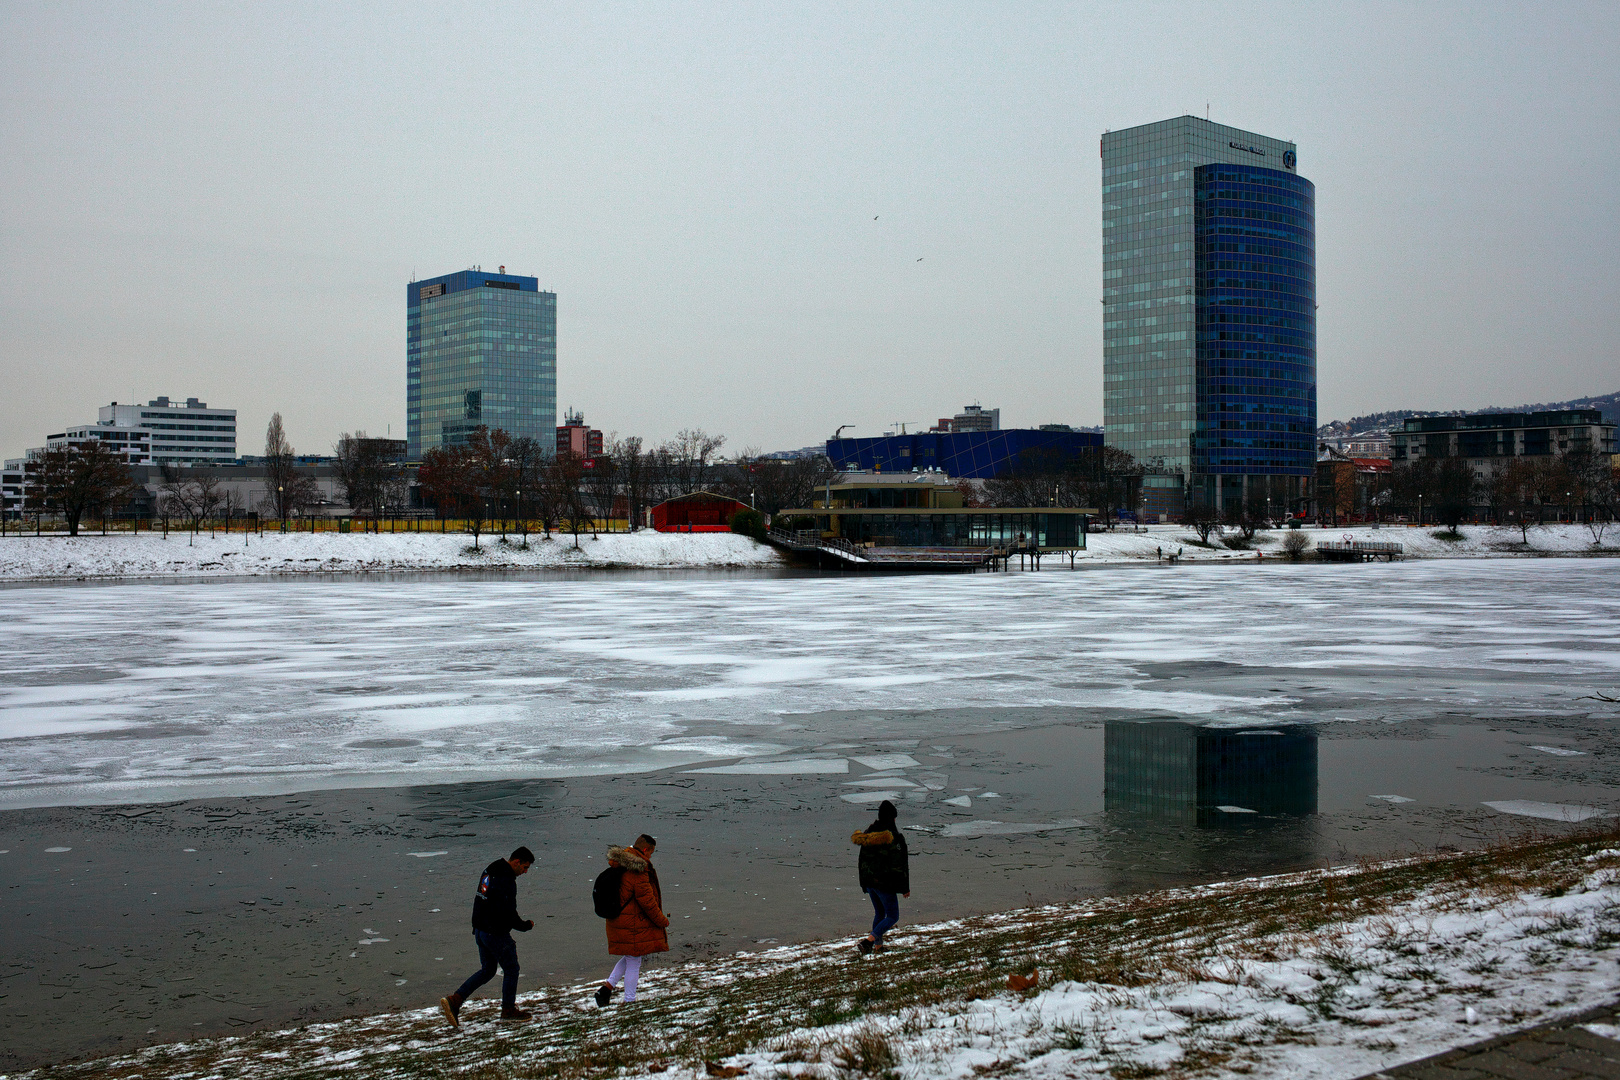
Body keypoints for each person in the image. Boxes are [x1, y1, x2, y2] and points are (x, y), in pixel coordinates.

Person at [439, 846, 536, 1027]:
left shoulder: (490, 869)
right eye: (525, 867)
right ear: (516, 862)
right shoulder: (506, 879)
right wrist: (525, 926)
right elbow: (508, 912)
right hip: (495, 932)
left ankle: (455, 1000)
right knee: (512, 969)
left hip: (480, 930)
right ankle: (508, 1010)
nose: (525, 872)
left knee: (488, 970)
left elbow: (481, 900)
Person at [594, 834, 669, 1007]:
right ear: (645, 850)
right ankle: (630, 1001)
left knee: (630, 957)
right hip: (631, 923)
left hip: (619, 919)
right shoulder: (638, 870)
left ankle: (605, 990)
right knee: (634, 961)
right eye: (651, 852)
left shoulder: (622, 862)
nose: (651, 856)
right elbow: (647, 901)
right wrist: (661, 920)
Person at [851, 800, 909, 955]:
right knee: (893, 916)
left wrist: (864, 883)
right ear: (891, 818)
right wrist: (905, 888)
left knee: (879, 913)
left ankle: (878, 947)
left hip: (870, 883)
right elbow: (900, 864)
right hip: (884, 883)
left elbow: (862, 861)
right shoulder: (893, 838)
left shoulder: (869, 833)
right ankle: (868, 941)